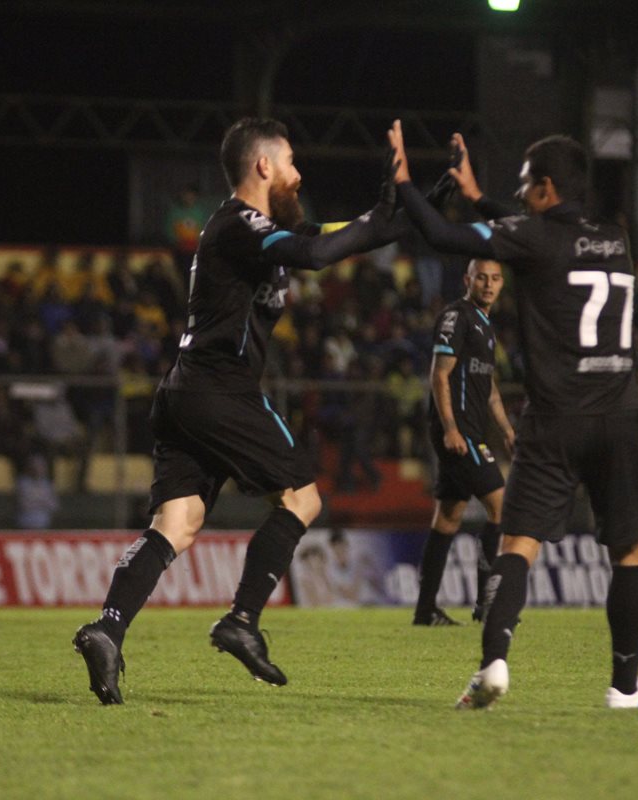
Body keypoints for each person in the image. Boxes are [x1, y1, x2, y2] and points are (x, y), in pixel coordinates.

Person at [71, 116, 400, 705]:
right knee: (302, 500)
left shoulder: (260, 228)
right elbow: (317, 251)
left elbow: (327, 235)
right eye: (292, 162)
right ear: (264, 165)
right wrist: (382, 215)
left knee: (177, 524)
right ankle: (242, 620)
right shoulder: (241, 223)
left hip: (187, 390)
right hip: (220, 388)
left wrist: (400, 211)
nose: (299, 175)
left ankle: (107, 629)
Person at [388, 120, 638, 710]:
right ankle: (625, 689)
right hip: (620, 416)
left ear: (546, 189)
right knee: (629, 553)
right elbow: (542, 234)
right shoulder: (616, 239)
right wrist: (478, 197)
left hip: (554, 420)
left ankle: (493, 663)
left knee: (517, 543)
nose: (519, 194)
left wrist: (404, 181)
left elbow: (443, 233)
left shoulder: (534, 238)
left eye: (525, 185)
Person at [413, 258, 515, 627]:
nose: (488, 284)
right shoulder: (457, 317)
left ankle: (425, 611)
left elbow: (489, 389)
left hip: (472, 431)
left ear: (501, 284)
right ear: (466, 280)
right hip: (459, 433)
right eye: (481, 278)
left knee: (449, 516)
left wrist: (507, 431)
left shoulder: (486, 325)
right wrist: (450, 428)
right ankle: (487, 602)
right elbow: (439, 375)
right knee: (500, 506)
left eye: (495, 278)